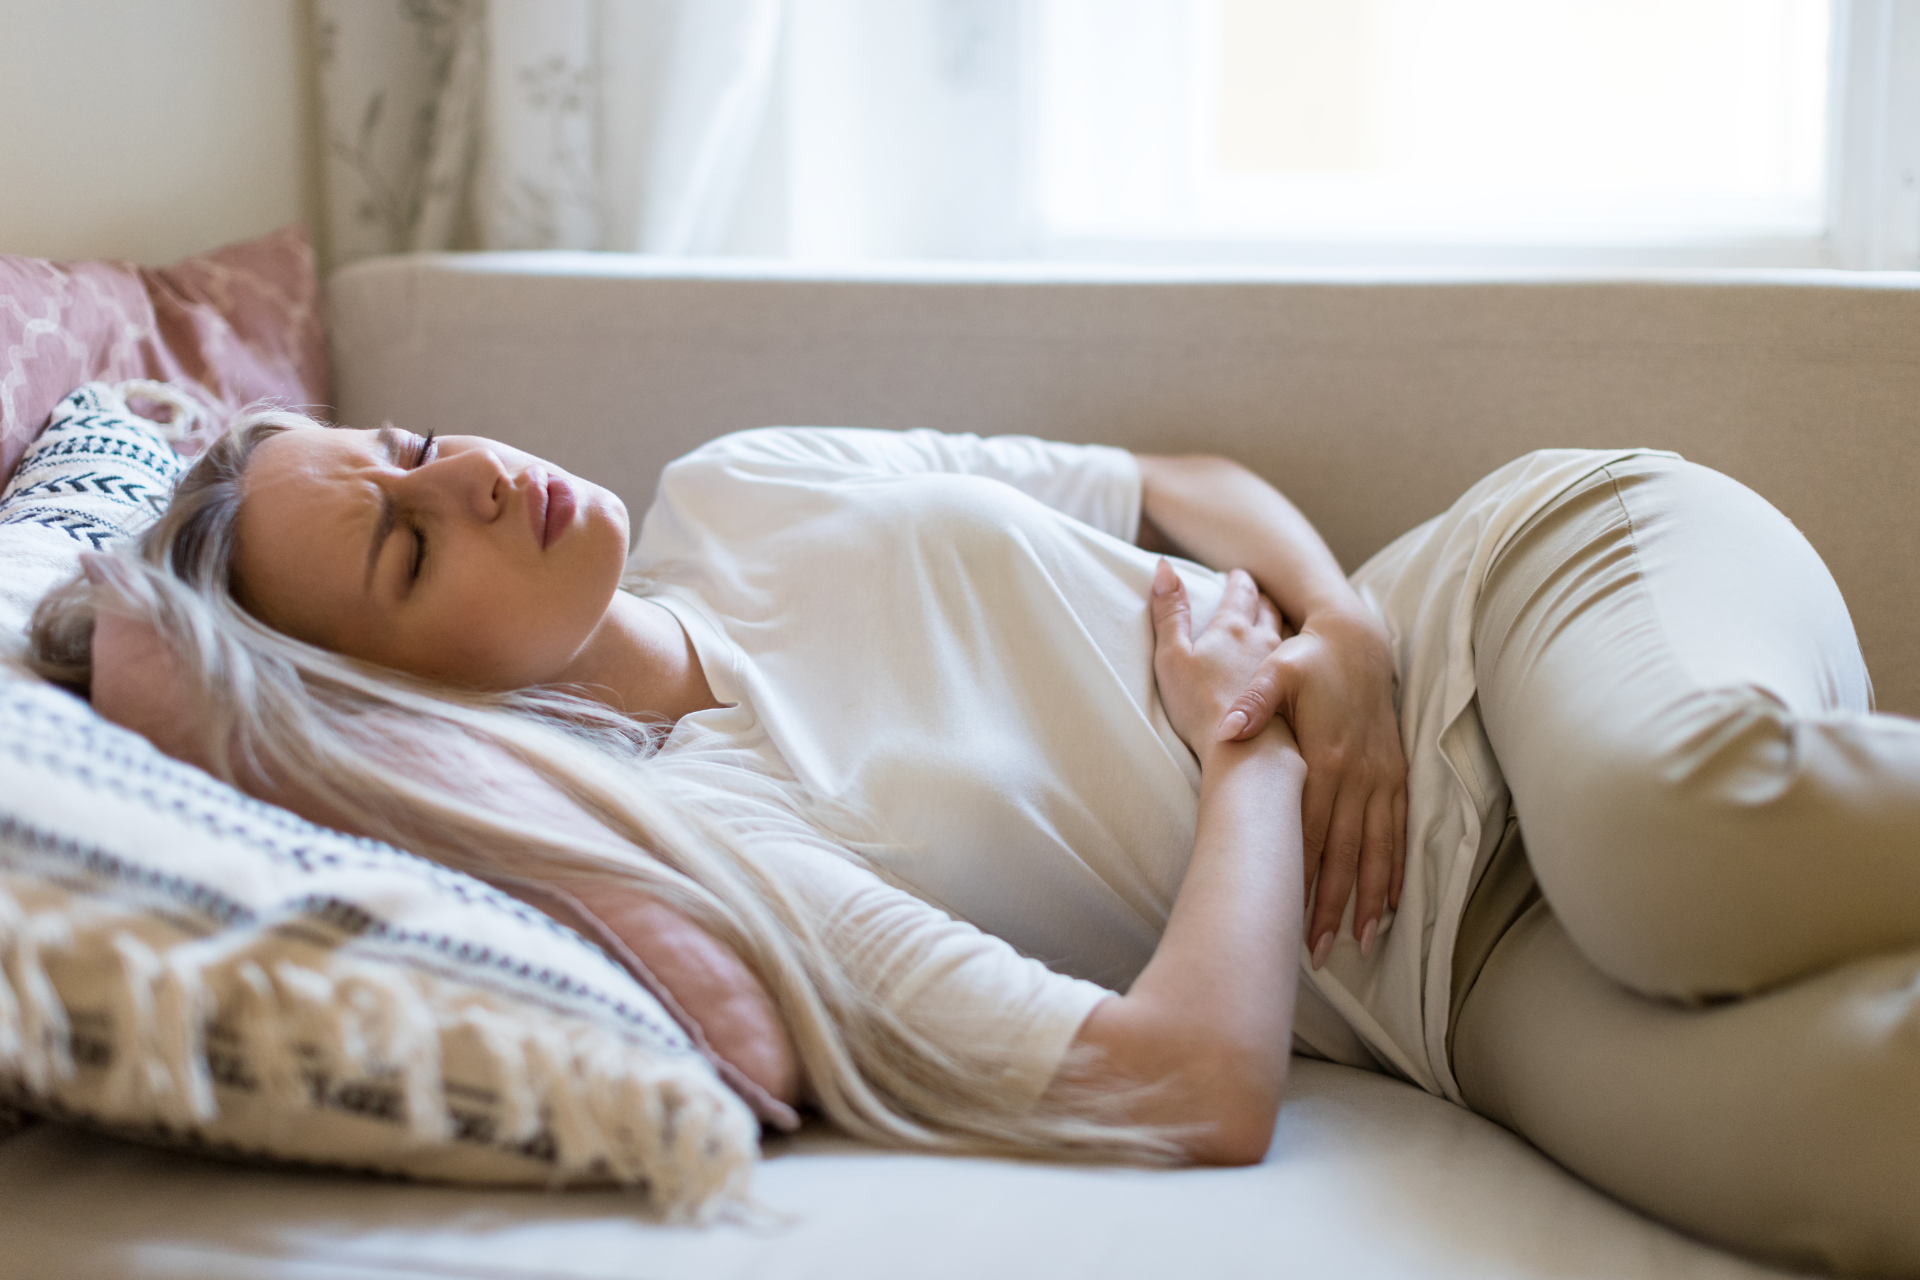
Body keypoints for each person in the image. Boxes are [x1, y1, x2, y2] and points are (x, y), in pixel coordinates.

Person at [25, 414, 1920, 1276]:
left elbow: (1185, 482)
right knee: (1856, 1132)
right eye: (406, 546)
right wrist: (1237, 751)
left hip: (1517, 617)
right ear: (396, 704)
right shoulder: (717, 851)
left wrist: (1331, 636)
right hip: (1451, 984)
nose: (467, 477)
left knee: (1686, 843)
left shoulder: (739, 488)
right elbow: (1184, 1087)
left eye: (410, 447)